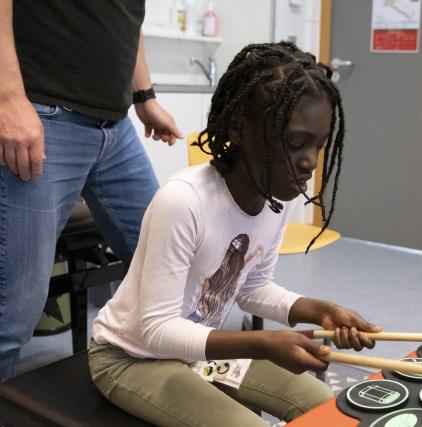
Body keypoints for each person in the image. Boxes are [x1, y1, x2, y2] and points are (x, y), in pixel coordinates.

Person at [88, 41, 381, 426]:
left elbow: (251, 288)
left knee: (329, 410)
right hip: (130, 359)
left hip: (197, 354)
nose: (309, 161)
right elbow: (157, 331)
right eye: (295, 144)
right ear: (240, 128)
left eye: (318, 146)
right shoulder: (184, 201)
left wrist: (320, 310)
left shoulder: (277, 195)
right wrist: (262, 344)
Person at [0, 0, 182, 381]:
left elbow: (128, 15)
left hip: (116, 128)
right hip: (42, 113)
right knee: (12, 314)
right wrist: (8, 100)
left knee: (167, 268)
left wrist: (144, 96)